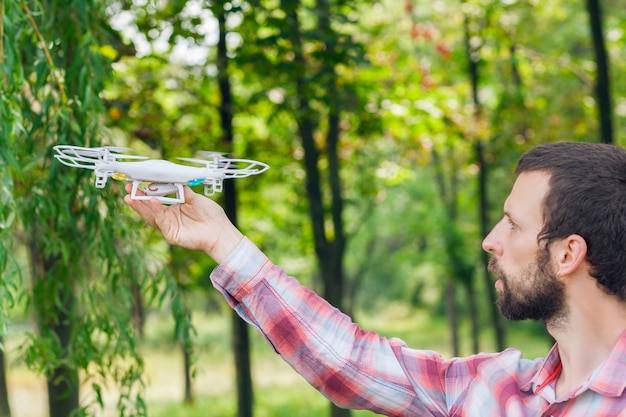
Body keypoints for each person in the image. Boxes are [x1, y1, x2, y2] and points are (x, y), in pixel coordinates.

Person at [124, 141, 626, 416]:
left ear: (567, 254)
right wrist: (222, 242)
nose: (490, 240)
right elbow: (350, 361)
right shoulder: (492, 390)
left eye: (513, 224)